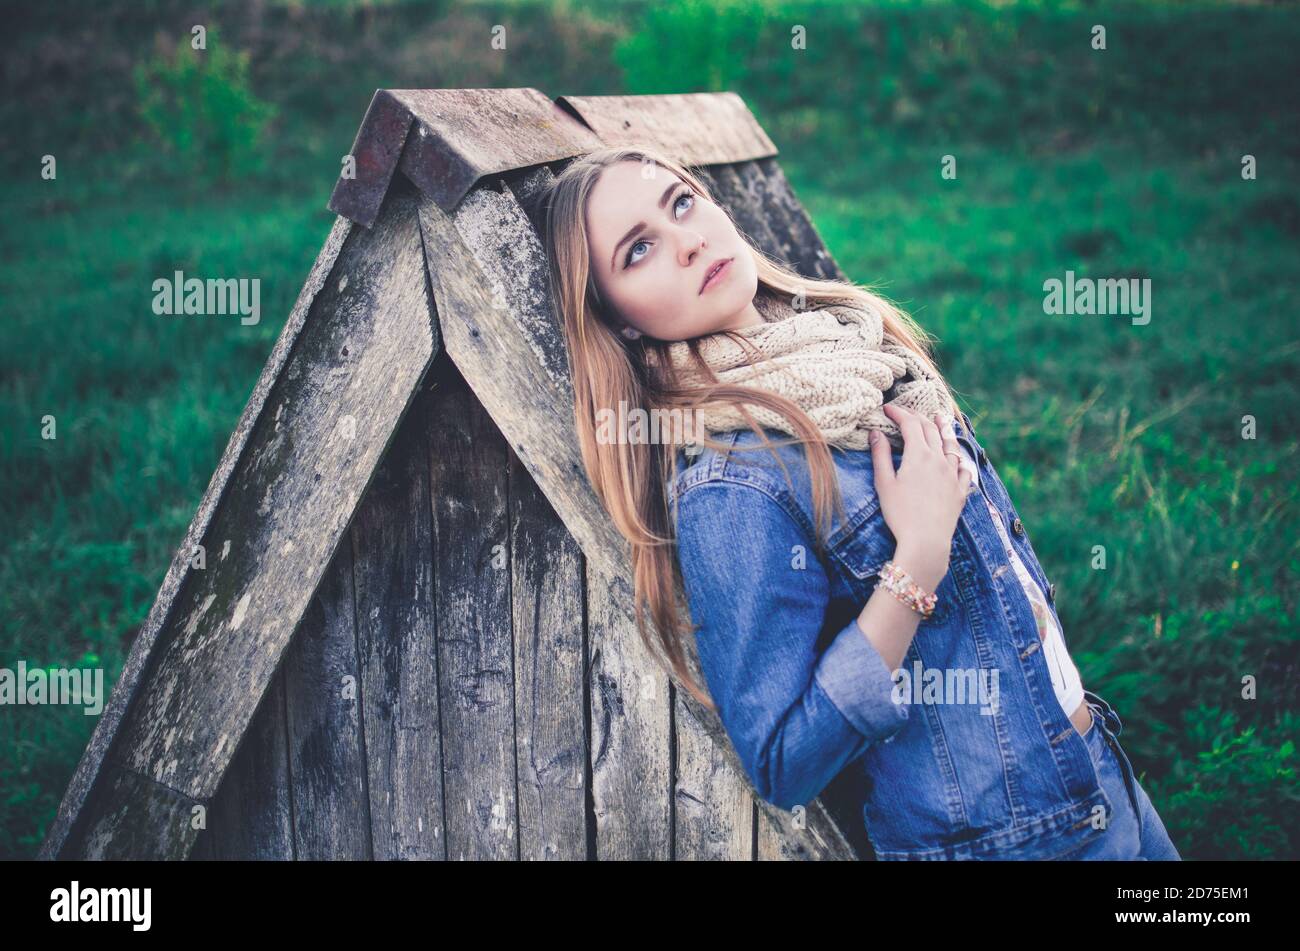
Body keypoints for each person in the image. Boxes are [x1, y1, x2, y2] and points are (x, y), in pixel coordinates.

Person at [541, 145, 1180, 860]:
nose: (687, 243)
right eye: (639, 251)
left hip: (1098, 776)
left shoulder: (853, 349)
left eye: (681, 202)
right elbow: (783, 757)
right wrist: (918, 563)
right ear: (620, 319)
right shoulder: (731, 481)